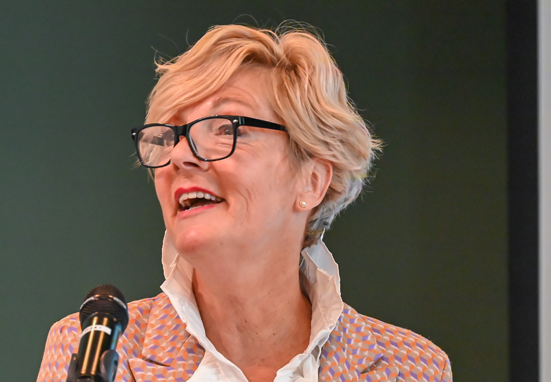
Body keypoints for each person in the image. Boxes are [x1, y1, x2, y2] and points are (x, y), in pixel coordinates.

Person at [37, 23, 452, 382]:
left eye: (224, 128)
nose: (179, 156)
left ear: (311, 181)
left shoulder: (410, 368)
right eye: (169, 135)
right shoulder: (94, 352)